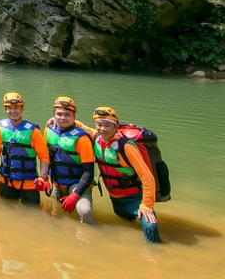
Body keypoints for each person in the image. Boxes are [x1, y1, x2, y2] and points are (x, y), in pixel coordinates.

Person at [92, 106, 162, 243]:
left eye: (107, 125)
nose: (102, 129)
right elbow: (78, 125)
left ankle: (157, 255)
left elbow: (147, 177)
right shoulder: (95, 138)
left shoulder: (126, 147)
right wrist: (54, 120)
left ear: (116, 127)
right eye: (99, 125)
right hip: (116, 200)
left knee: (150, 226)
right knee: (128, 226)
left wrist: (146, 205)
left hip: (134, 198)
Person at [0, 92, 50, 205]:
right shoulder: (0, 128)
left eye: (16, 108)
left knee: (32, 214)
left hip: (29, 183)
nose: (13, 111)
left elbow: (44, 156)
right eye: (9, 108)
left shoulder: (33, 131)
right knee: (6, 213)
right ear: (5, 110)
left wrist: (42, 177)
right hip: (6, 181)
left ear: (22, 109)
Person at [44, 96, 97, 225]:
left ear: (74, 115)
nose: (63, 118)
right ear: (54, 115)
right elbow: (45, 157)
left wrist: (75, 195)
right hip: (57, 183)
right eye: (59, 114)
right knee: (56, 216)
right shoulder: (49, 131)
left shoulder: (82, 138)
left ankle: (92, 236)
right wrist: (44, 177)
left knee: (85, 211)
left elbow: (89, 172)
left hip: (77, 184)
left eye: (67, 115)